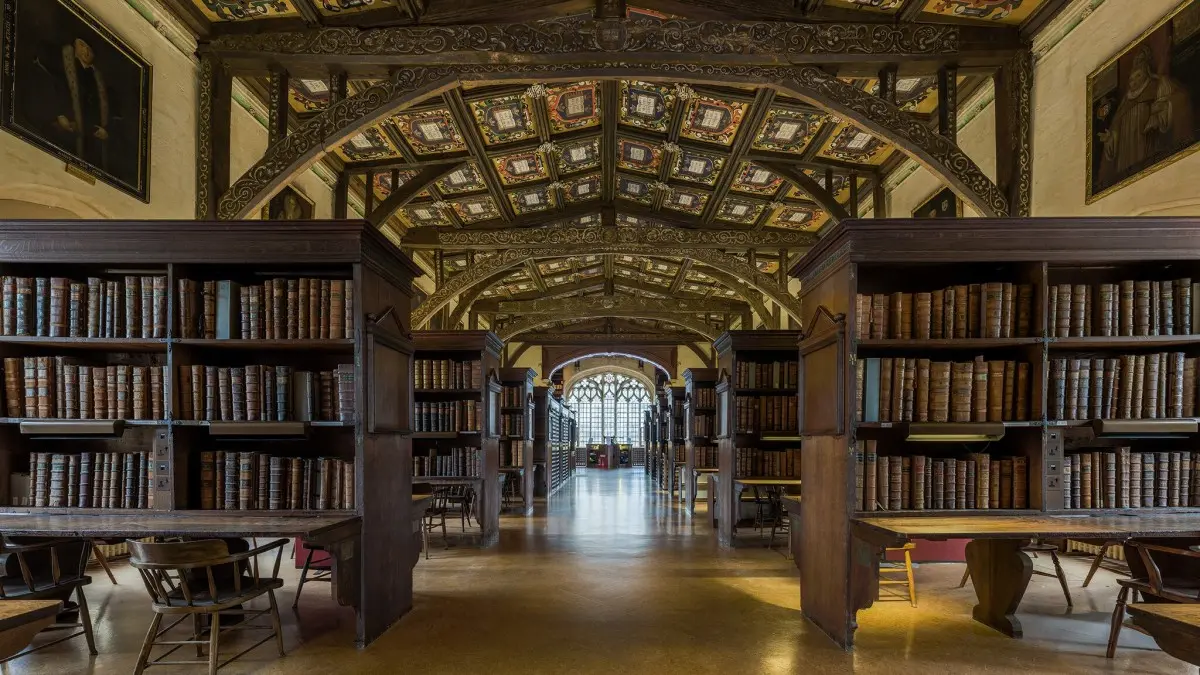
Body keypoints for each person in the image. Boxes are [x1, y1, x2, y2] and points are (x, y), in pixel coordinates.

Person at [1099, 44, 1194, 186]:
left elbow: (1179, 99)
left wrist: (1164, 108)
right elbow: (1115, 131)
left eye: (1138, 76)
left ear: (1147, 74)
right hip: (1125, 156)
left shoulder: (1157, 86)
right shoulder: (1125, 103)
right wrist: (1110, 140)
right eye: (1131, 79)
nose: (1134, 81)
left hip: (1146, 146)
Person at [53, 38, 110, 171]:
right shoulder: (65, 68)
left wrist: (105, 130)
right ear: (75, 47)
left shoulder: (97, 77)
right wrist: (61, 116)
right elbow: (57, 92)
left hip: (94, 137)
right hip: (72, 131)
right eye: (82, 45)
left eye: (90, 48)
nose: (86, 51)